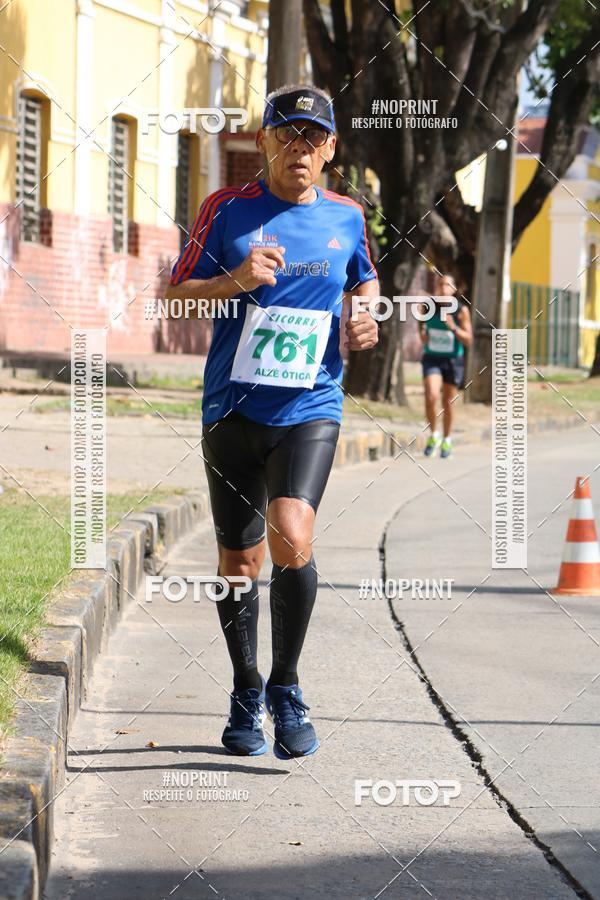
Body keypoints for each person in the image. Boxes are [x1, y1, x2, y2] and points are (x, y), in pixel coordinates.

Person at [166, 84, 379, 758]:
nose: (300, 148)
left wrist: (367, 309)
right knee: (240, 560)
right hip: (231, 409)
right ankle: (245, 688)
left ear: (331, 150)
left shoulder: (347, 216)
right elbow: (175, 296)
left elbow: (363, 276)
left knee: (293, 532)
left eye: (313, 137)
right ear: (263, 140)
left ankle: (286, 688)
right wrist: (233, 279)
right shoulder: (225, 210)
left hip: (309, 405)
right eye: (287, 133)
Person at [419, 274, 472, 458]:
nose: (443, 288)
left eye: (447, 285)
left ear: (454, 290)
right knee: (432, 395)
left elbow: (469, 339)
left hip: (452, 360)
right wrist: (423, 335)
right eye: (440, 284)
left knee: (448, 403)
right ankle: (434, 434)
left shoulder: (461, 311)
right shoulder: (428, 307)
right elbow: (422, 329)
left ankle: (447, 439)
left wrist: (453, 327)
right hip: (432, 357)